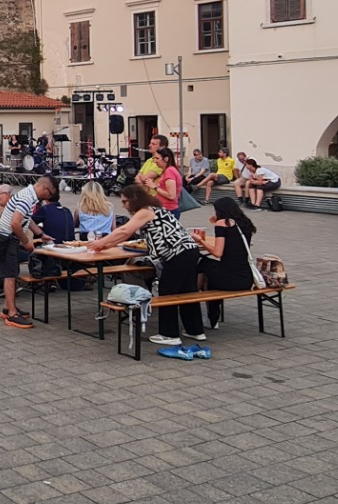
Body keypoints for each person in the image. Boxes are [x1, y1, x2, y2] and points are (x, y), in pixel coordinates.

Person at [88, 182, 206, 354]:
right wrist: (106, 246)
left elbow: (124, 230)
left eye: (125, 201)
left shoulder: (145, 211)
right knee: (187, 291)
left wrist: (100, 242)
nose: (123, 205)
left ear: (134, 199)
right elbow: (126, 234)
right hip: (188, 251)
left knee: (168, 291)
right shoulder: (154, 209)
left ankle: (169, 334)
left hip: (177, 254)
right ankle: (195, 330)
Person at [191, 197, 263, 330]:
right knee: (209, 273)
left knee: (202, 264)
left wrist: (200, 241)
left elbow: (217, 253)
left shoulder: (222, 223)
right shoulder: (245, 223)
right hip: (245, 278)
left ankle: (192, 304)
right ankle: (211, 318)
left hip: (229, 279)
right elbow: (233, 240)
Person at [0, 176, 51, 329]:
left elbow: (27, 219)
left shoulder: (28, 195)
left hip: (7, 238)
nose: (49, 197)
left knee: (12, 273)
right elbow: (15, 224)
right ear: (44, 188)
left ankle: (7, 308)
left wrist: (40, 234)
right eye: (50, 193)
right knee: (10, 276)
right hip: (6, 239)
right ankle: (12, 314)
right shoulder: (26, 198)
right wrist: (26, 242)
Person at [154, 147, 186, 217]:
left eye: (157, 158)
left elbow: (171, 195)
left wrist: (155, 187)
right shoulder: (168, 170)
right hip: (165, 208)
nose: (155, 161)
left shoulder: (169, 171)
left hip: (168, 209)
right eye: (154, 158)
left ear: (166, 159)